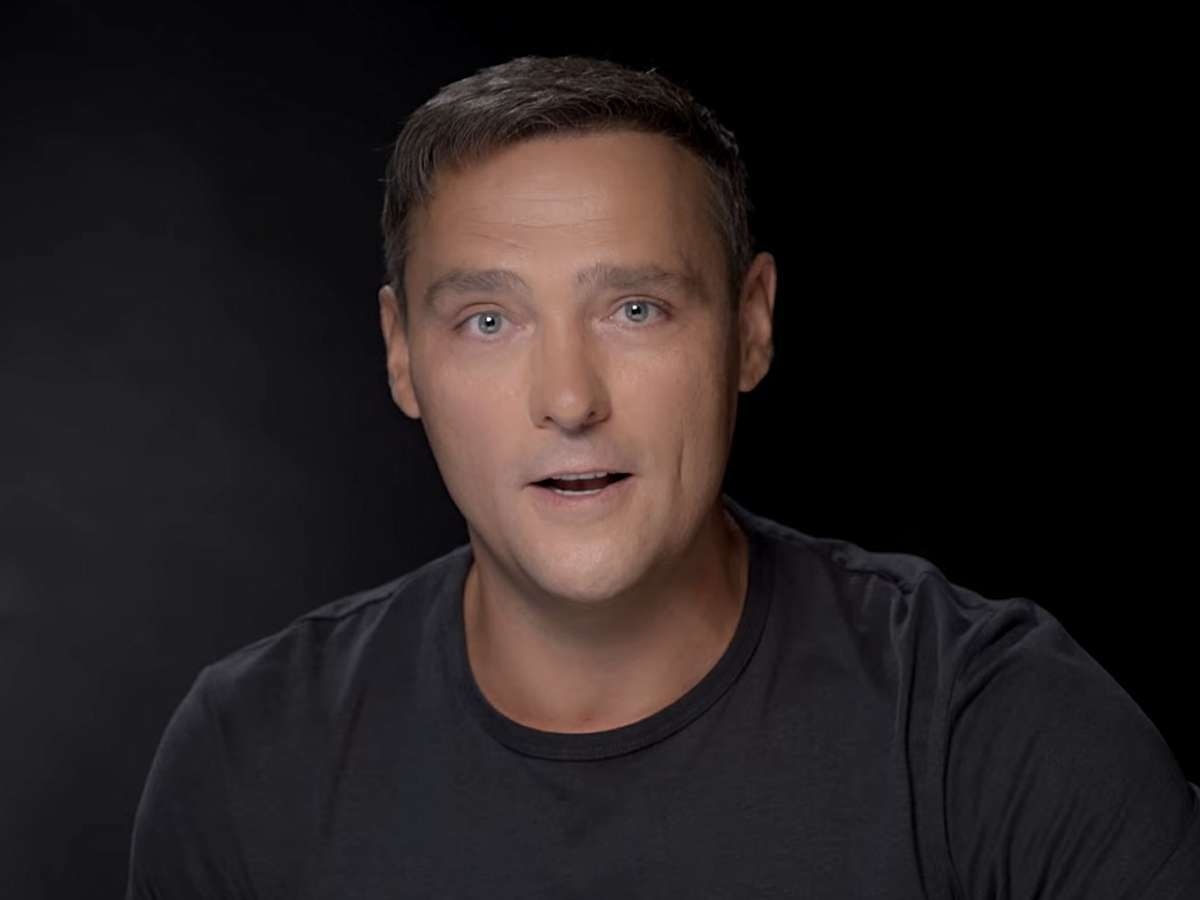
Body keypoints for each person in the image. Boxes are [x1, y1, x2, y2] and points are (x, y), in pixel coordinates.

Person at [125, 55, 1200, 899]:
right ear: (402, 355)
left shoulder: (994, 728)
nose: (569, 398)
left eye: (635, 308)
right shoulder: (249, 756)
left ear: (751, 326)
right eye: (488, 320)